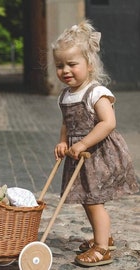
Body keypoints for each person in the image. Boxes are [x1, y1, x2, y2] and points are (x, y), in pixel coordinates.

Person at [52, 19, 139, 267]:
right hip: (79, 155)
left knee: (94, 200)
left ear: (89, 65)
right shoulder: (66, 95)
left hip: (98, 153)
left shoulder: (95, 92)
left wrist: (83, 144)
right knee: (87, 199)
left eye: (72, 64)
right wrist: (62, 143)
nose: (65, 70)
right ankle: (104, 238)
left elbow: (107, 123)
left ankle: (102, 248)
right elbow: (66, 123)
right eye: (60, 65)